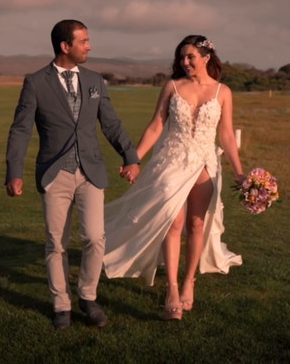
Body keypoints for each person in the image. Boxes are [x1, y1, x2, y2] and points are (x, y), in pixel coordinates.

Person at [5, 19, 141, 330]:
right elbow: (21, 130)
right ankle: (61, 305)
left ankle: (88, 297)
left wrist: (130, 157)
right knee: (56, 243)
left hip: (91, 171)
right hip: (55, 173)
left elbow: (111, 123)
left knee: (95, 238)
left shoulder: (94, 80)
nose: (89, 46)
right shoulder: (36, 82)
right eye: (84, 41)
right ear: (66, 46)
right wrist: (14, 171)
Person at [103, 35, 244, 321]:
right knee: (173, 222)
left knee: (196, 223)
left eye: (190, 56)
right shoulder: (173, 86)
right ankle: (172, 290)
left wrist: (240, 173)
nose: (185, 62)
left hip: (204, 165)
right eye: (181, 57)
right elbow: (157, 124)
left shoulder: (223, 92)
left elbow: (227, 135)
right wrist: (134, 158)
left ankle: (189, 280)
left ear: (206, 58)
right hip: (172, 162)